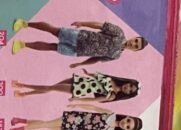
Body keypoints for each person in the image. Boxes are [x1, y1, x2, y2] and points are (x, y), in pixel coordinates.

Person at [10, 18, 148, 63]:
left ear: (135, 50)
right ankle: (24, 24)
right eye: (136, 41)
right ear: (134, 37)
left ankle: (23, 45)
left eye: (136, 46)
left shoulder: (116, 56)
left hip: (78, 52)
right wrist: (83, 23)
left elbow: (96, 59)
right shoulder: (119, 33)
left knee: (53, 47)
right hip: (80, 36)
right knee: (54, 30)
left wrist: (81, 64)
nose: (133, 44)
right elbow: (100, 25)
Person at [11, 71, 140, 102]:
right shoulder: (113, 80)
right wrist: (88, 73)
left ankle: (22, 86)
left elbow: (94, 100)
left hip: (79, 89)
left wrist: (77, 99)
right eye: (130, 86)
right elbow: (98, 76)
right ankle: (24, 93)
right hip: (79, 80)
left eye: (130, 91)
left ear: (127, 94)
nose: (128, 88)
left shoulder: (112, 96)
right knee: (51, 87)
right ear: (127, 82)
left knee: (50, 88)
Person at [9, 111, 142, 130]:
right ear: (127, 117)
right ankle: (20, 128)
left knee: (46, 125)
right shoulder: (111, 115)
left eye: (128, 127)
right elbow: (93, 109)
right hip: (75, 119)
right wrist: (77, 104)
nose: (125, 123)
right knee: (45, 124)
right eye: (128, 121)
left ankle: (20, 120)